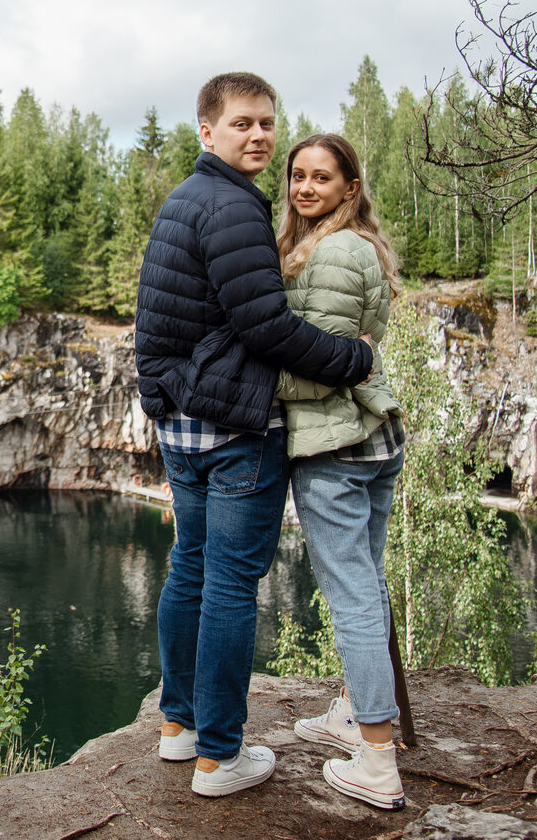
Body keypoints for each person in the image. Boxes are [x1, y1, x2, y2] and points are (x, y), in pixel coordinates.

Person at [134, 72, 374, 798]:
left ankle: (179, 730)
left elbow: (163, 321)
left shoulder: (186, 198)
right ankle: (221, 755)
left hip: (181, 418)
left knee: (191, 566)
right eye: (243, 123)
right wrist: (352, 358)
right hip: (234, 425)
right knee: (231, 582)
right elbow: (265, 325)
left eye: (268, 122)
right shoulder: (234, 206)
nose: (260, 135)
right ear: (208, 131)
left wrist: (160, 394)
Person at [274, 133, 407, 810]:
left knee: (352, 594)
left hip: (335, 447)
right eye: (297, 174)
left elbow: (317, 365)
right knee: (368, 584)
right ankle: (356, 710)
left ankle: (378, 759)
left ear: (349, 189)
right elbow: (357, 349)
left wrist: (262, 385)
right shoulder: (362, 246)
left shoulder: (329, 252)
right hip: (377, 436)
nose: (304, 187)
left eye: (321, 178)